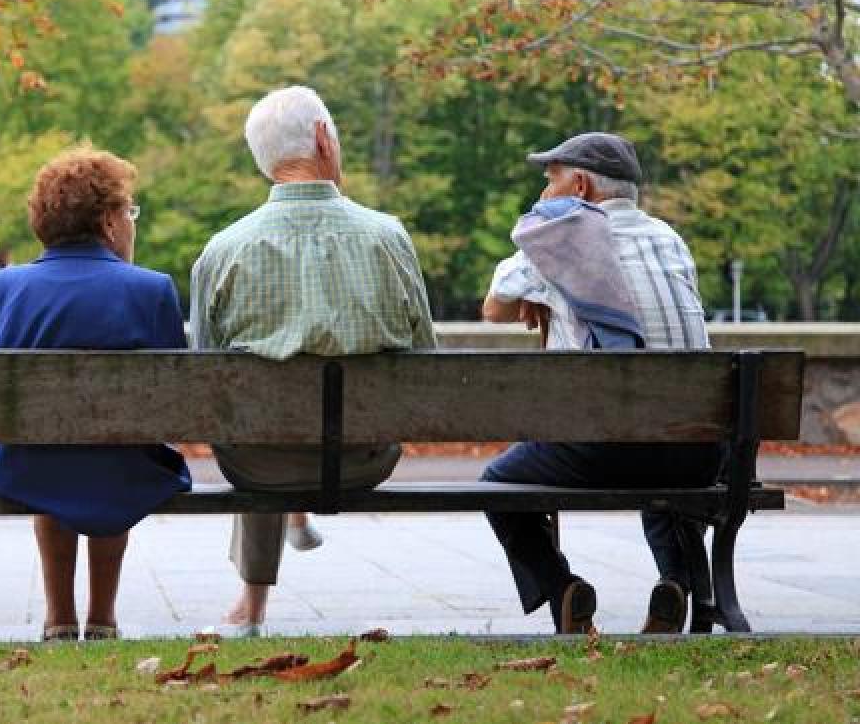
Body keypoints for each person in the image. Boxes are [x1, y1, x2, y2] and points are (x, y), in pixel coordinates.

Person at [190, 85, 436, 632]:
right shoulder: (389, 238)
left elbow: (204, 379)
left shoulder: (223, 250)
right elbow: (428, 363)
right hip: (364, 459)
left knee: (260, 429)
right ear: (325, 139)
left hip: (258, 464)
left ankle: (250, 604)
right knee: (276, 424)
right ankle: (283, 538)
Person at [480, 132, 713, 634]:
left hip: (602, 450)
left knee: (498, 484)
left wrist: (541, 264)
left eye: (551, 181)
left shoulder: (559, 235)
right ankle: (676, 583)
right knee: (661, 446)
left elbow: (494, 307)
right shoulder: (670, 240)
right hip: (700, 450)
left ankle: (563, 589)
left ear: (579, 185)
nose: (546, 192)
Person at [0, 147, 191, 642]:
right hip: (122, 467)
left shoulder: (3, 288)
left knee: (51, 456)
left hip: (24, 466)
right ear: (110, 222)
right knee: (113, 453)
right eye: (129, 211)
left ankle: (59, 619)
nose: (131, 222)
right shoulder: (152, 290)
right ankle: (103, 619)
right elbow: (173, 405)